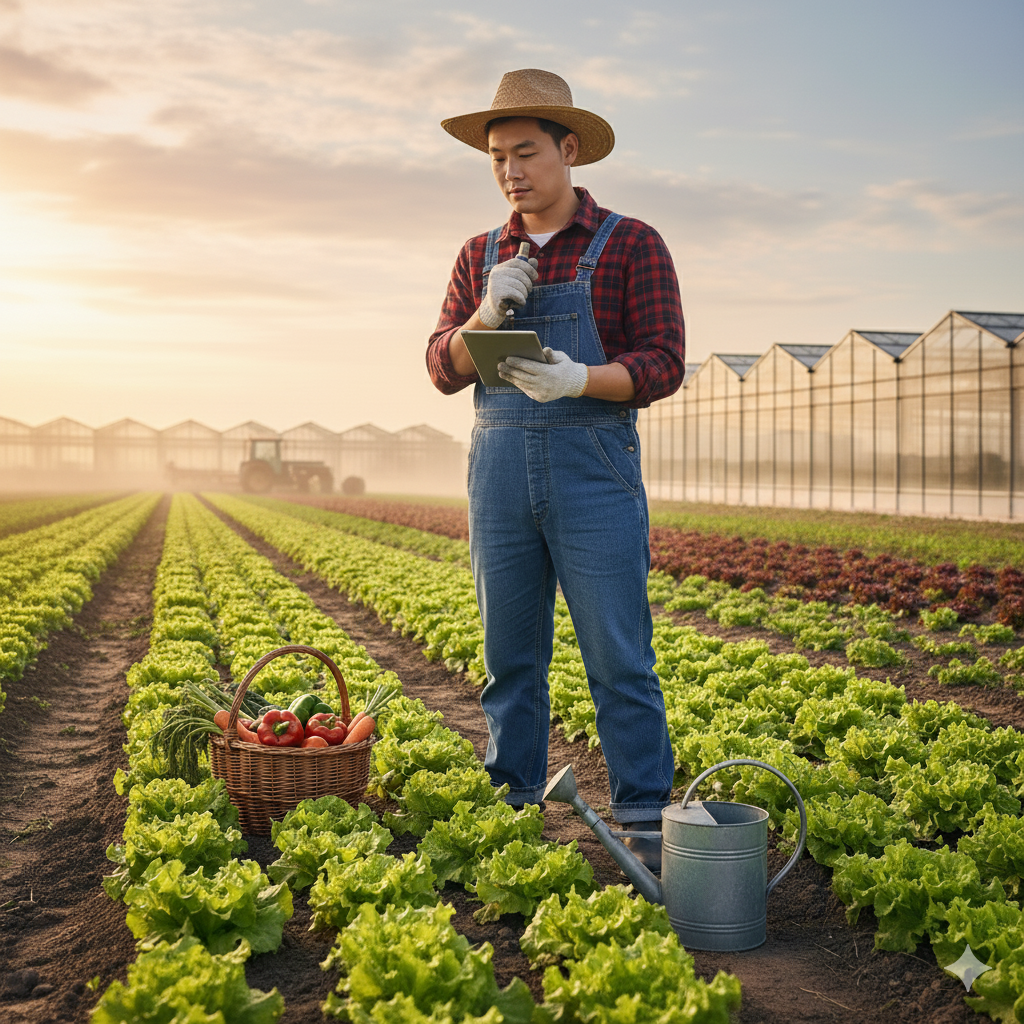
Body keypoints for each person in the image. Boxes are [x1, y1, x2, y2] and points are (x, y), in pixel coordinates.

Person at [425, 69, 685, 871]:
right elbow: (440, 369)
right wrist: (484, 314)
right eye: (497, 157)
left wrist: (580, 378)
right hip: (499, 470)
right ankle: (513, 804)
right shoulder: (479, 255)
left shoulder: (631, 243)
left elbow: (664, 361)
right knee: (510, 657)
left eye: (527, 153)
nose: (511, 171)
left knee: (618, 657)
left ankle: (644, 817)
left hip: (592, 466)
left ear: (569, 150)